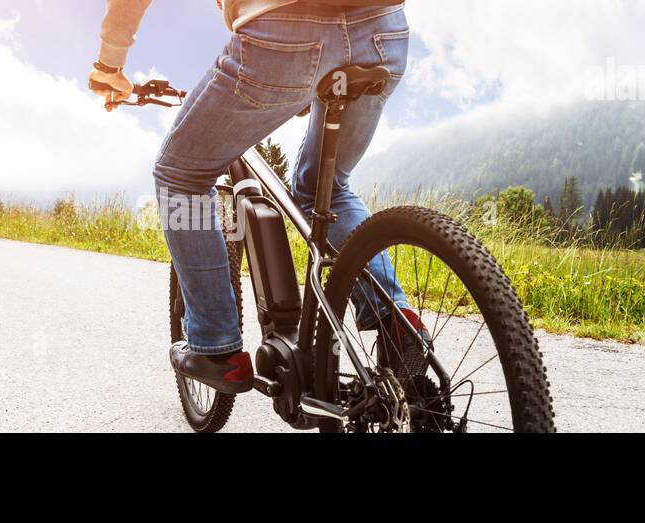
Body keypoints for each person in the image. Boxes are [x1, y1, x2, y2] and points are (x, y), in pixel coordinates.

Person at [90, 0, 420, 394]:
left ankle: (215, 348)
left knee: (180, 175)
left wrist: (110, 65)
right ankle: (394, 320)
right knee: (324, 191)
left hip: (282, 35)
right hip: (384, 31)